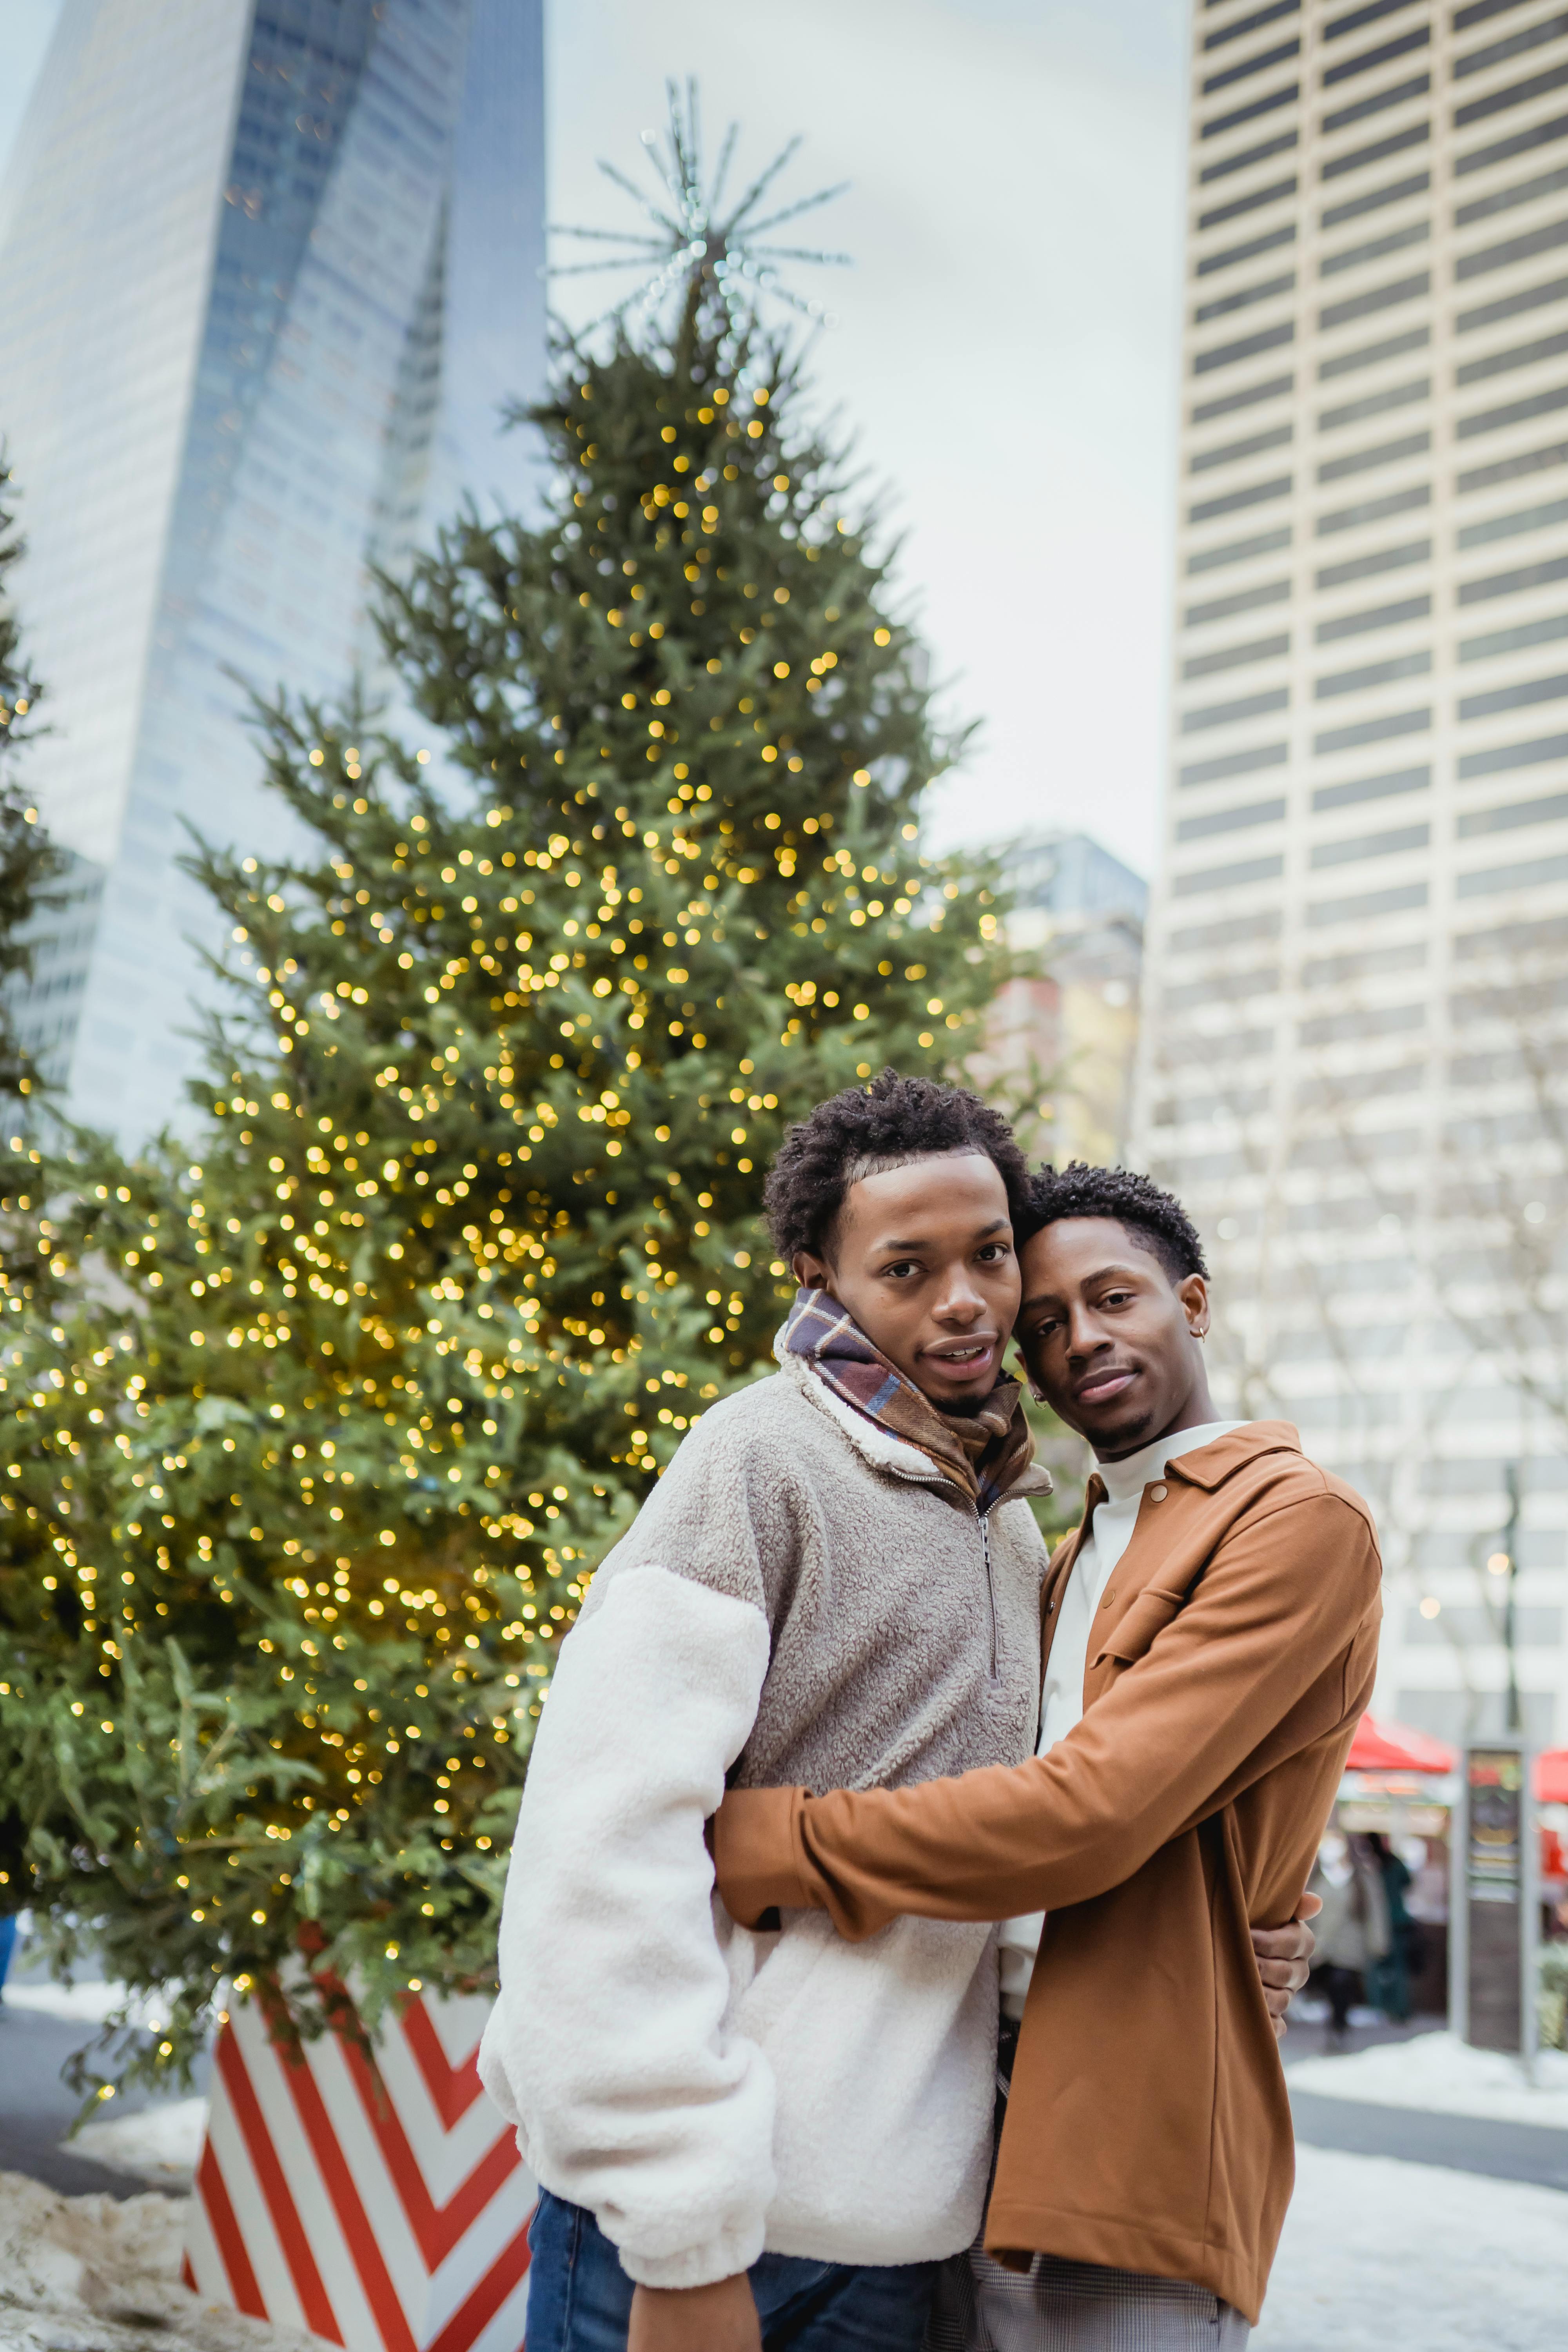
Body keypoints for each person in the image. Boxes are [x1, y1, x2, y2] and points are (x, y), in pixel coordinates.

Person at [480, 1092, 1310, 2352]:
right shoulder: (754, 1465)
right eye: (907, 1270)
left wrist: (1225, 1944)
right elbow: (600, 1852)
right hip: (711, 2227)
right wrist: (678, 2221)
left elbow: (1041, 1824)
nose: (968, 1302)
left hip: (917, 2241)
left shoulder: (1020, 1522)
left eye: (989, 1255)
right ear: (823, 1275)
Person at [715, 1161, 1380, 2346]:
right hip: (966, 2130)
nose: (1080, 1342)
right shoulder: (1069, 1547)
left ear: (1195, 1302)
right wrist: (1239, 1926)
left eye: (1114, 1300)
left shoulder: (1292, 1521)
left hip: (1127, 2158)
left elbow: (1091, 1813)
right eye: (1046, 1326)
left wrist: (776, 1839)